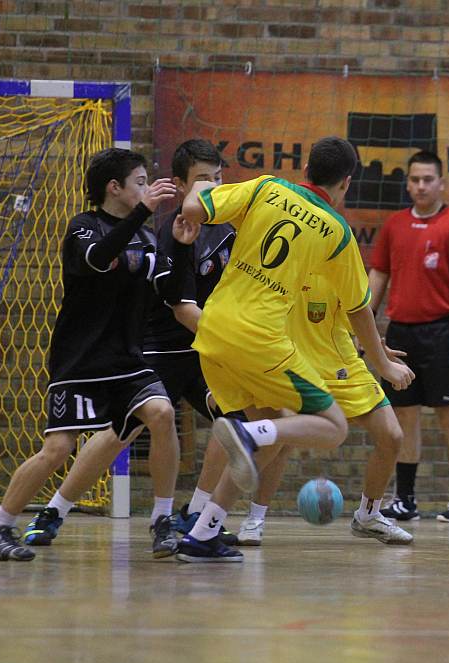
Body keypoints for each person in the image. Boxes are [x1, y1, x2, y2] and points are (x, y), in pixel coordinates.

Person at [173, 135, 414, 561]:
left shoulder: (267, 187)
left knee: (267, 432)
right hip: (259, 337)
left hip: (211, 330)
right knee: (332, 427)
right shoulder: (336, 232)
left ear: (305, 170)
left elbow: (194, 208)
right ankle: (245, 435)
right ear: (346, 183)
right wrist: (382, 363)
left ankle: (204, 532)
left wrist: (198, 185)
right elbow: (360, 309)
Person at [19, 140, 238, 556]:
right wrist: (231, 340)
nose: (213, 187)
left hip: (205, 352)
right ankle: (55, 509)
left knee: (239, 423)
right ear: (179, 184)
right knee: (121, 432)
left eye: (219, 178)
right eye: (203, 180)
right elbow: (178, 305)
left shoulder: (230, 230)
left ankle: (195, 515)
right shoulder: (163, 229)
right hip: (160, 349)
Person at [0, 148, 185, 561]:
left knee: (161, 414)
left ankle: (161, 521)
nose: (147, 188)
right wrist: (142, 212)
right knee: (58, 449)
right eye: (140, 181)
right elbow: (99, 257)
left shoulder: (146, 235)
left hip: (128, 359)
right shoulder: (83, 228)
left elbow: (165, 284)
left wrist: (179, 245)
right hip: (82, 359)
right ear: (115, 188)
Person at [176, 271, 414, 547]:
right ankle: (245, 519)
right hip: (289, 363)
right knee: (278, 437)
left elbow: (357, 317)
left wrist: (380, 353)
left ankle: (369, 516)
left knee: (392, 436)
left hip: (340, 365)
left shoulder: (340, 256)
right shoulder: (276, 260)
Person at [369, 149, 449, 523]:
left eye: (428, 179)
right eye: (415, 179)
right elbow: (379, 278)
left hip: (442, 331)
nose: (421, 186)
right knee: (404, 417)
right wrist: (364, 324)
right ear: (407, 183)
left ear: (441, 183)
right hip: (402, 333)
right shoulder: (394, 226)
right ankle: (405, 500)